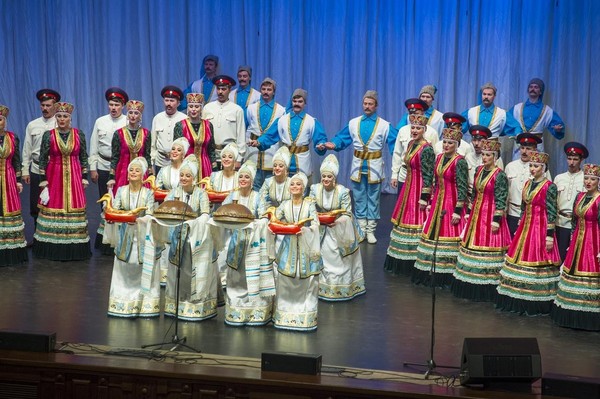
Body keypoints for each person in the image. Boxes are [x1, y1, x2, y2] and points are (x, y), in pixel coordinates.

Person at [323, 90, 396, 244]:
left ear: (376, 106)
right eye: (365, 103)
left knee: (373, 198)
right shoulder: (353, 123)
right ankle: (361, 229)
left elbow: (395, 144)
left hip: (375, 167)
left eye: (370, 104)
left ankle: (371, 230)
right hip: (357, 166)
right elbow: (342, 138)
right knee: (358, 196)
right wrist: (334, 144)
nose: (367, 106)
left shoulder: (384, 125)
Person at [496, 151, 561, 315]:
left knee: (536, 259)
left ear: (543, 168)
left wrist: (549, 235)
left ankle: (534, 301)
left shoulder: (549, 187)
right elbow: (524, 206)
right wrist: (520, 222)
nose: (532, 169)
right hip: (526, 225)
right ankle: (516, 298)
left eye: (536, 166)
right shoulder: (527, 184)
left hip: (540, 227)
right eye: (531, 165)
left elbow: (552, 211)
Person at [452, 139, 511, 302]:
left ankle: (487, 287)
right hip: (477, 215)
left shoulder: (500, 175)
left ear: (495, 157)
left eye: (488, 155)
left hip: (490, 215)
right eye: (483, 154)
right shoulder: (478, 170)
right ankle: (471, 285)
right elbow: (474, 194)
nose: (484, 158)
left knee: (488, 246)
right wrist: (468, 212)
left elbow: (501, 198)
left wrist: (497, 220)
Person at [33, 102, 91, 261]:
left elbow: (84, 157)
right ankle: (53, 248)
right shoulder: (49, 135)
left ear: (70, 118)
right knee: (54, 206)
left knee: (74, 206)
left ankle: (74, 249)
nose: (62, 119)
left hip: (74, 176)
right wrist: (43, 180)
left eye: (65, 116)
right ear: (55, 117)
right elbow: (43, 159)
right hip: (54, 176)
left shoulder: (79, 134)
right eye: (59, 116)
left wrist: (84, 176)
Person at [413, 124, 468, 287]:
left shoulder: (460, 162)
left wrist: (458, 211)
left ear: (457, 144)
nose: (446, 145)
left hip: (451, 202)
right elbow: (435, 182)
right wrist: (430, 202)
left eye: (450, 143)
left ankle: (447, 275)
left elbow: (463, 187)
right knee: (432, 233)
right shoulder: (439, 158)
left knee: (448, 234)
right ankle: (432, 272)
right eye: (445, 142)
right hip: (438, 200)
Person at [221, 161, 274, 325]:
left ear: (252, 180)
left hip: (253, 242)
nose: (243, 179)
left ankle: (254, 308)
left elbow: (265, 217)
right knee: (235, 274)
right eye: (241, 176)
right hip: (236, 240)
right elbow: (223, 212)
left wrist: (253, 224)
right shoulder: (232, 196)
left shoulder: (258, 196)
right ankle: (236, 305)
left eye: (247, 177)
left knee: (251, 274)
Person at [164, 156, 214, 321]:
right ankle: (176, 304)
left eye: (188, 176)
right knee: (176, 270)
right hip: (178, 237)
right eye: (182, 175)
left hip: (195, 239)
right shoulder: (174, 193)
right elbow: (165, 209)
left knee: (193, 270)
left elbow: (206, 214)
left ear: (194, 178)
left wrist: (194, 223)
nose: (184, 178)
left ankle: (195, 304)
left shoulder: (201, 194)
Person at [551, 163, 600, 331]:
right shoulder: (579, 197)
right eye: (586, 178)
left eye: (592, 179)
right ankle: (570, 315)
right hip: (578, 241)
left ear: (598, 181)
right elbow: (574, 222)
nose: (588, 181)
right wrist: (572, 239)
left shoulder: (599, 200)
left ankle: (589, 317)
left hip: (593, 243)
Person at [310, 154, 366, 301]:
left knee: (338, 259)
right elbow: (310, 208)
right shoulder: (315, 189)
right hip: (322, 228)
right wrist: (317, 218)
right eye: (324, 177)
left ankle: (342, 287)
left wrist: (337, 222)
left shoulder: (343, 191)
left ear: (334, 178)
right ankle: (322, 287)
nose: (326, 179)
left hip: (338, 230)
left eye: (329, 177)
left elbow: (347, 213)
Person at [106, 157, 157, 317]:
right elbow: (116, 209)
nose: (133, 173)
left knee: (140, 267)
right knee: (124, 268)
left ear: (143, 175)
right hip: (125, 234)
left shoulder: (148, 193)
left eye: (137, 170)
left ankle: (142, 302)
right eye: (131, 170)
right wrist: (121, 216)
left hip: (141, 236)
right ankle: (122, 300)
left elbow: (150, 214)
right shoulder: (121, 190)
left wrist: (138, 220)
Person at [385, 113, 435, 275]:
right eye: (413, 127)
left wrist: (424, 198)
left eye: (418, 128)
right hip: (409, 186)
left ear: (424, 129)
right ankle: (402, 259)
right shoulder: (411, 144)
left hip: (419, 188)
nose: (414, 130)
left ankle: (416, 261)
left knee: (417, 219)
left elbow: (429, 175)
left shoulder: (427, 149)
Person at [271, 172, 321, 331]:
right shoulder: (285, 205)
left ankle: (304, 313)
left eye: (298, 184)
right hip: (289, 246)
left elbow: (315, 224)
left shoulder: (309, 205)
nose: (294, 187)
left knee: (305, 279)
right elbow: (275, 219)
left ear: (303, 188)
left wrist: (306, 231)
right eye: (292, 184)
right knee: (285, 278)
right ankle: (285, 312)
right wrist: (275, 227)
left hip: (305, 246)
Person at [251, 88, 328, 182]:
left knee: (301, 189)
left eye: (300, 101)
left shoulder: (311, 121)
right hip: (284, 159)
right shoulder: (282, 120)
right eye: (294, 101)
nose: (297, 104)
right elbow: (270, 135)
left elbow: (320, 139)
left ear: (305, 103)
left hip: (302, 161)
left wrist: (321, 146)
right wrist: (259, 142)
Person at [22, 89, 60, 226]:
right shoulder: (33, 125)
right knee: (36, 202)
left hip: (54, 168)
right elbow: (27, 149)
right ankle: (38, 236)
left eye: (48, 105)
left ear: (55, 106)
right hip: (37, 168)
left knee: (54, 201)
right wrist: (25, 170)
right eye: (43, 105)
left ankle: (53, 236)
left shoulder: (60, 123)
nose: (45, 108)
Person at [154, 137, 189, 284]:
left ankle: (180, 273)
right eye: (173, 149)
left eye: (178, 150)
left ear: (184, 154)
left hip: (182, 211)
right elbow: (156, 189)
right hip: (167, 210)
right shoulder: (164, 170)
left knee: (181, 240)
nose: (174, 152)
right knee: (166, 241)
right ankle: (164, 274)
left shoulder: (187, 171)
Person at [504, 133, 551, 235]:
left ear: (535, 150)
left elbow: (547, 195)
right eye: (522, 148)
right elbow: (504, 192)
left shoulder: (542, 169)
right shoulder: (510, 167)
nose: (524, 152)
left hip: (531, 216)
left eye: (528, 148)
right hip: (511, 213)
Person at [390, 99, 439, 194]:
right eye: (411, 114)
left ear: (423, 112)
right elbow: (397, 153)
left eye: (416, 113)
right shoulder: (403, 130)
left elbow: (436, 157)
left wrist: (433, 180)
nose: (414, 117)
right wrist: (394, 175)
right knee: (402, 205)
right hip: (404, 175)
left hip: (422, 177)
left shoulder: (432, 133)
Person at [508, 78, 565, 160]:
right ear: (528, 90)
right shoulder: (517, 108)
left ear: (540, 91)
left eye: (536, 87)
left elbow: (559, 126)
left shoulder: (547, 110)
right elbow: (507, 121)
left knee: (536, 168)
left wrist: (558, 129)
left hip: (537, 147)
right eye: (531, 87)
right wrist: (516, 132)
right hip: (520, 147)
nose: (533, 89)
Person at [245, 77, 286, 190]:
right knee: (253, 184)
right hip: (252, 151)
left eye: (269, 89)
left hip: (271, 150)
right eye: (263, 89)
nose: (266, 92)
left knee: (270, 186)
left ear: (273, 92)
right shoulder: (251, 108)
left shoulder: (281, 110)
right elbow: (246, 126)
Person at [89, 87, 128, 200]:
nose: (113, 108)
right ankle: (104, 218)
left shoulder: (128, 121)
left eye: (117, 105)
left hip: (122, 166)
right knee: (105, 199)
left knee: (122, 199)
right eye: (111, 105)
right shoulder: (100, 121)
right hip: (103, 165)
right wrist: (92, 168)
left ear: (123, 106)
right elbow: (94, 146)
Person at [0, 105, 27, 266]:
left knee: (9, 210)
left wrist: (18, 180)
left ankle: (11, 251)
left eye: (0, 119)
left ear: (5, 121)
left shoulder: (12, 137)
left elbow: (16, 160)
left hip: (8, 178)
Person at [107, 100, 152, 194]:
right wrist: (111, 177)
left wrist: (151, 175)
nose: (133, 115)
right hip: (123, 172)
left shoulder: (146, 133)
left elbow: (147, 155)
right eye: (130, 112)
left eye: (136, 113)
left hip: (141, 173)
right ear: (127, 115)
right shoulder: (118, 133)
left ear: (140, 116)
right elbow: (115, 157)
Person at [202, 75, 246, 169]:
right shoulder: (207, 108)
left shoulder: (237, 110)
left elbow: (241, 135)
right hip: (210, 155)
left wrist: (239, 158)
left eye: (223, 89)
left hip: (229, 155)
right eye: (218, 89)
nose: (220, 92)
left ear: (229, 89)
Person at [554, 142, 587, 261]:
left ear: (581, 160)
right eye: (569, 158)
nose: (571, 162)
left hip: (578, 224)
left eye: (575, 159)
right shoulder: (559, 178)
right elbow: (553, 202)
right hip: (560, 222)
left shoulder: (586, 179)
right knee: (559, 256)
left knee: (574, 258)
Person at [173, 92, 216, 182]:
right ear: (188, 108)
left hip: (205, 165)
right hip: (186, 165)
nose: (193, 109)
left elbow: (211, 148)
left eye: (197, 107)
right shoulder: (180, 125)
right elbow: (176, 150)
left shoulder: (208, 125)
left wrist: (214, 166)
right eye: (191, 106)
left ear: (201, 108)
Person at [151, 85, 187, 175]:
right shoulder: (157, 118)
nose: (169, 103)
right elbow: (153, 143)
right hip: (160, 162)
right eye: (166, 100)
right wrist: (152, 162)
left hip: (178, 163)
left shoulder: (184, 119)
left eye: (172, 101)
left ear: (178, 103)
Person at [463, 125, 504, 194]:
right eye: (474, 140)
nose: (476, 143)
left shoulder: (496, 159)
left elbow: (500, 182)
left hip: (486, 196)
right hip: (469, 195)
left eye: (480, 140)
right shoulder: (468, 157)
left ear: (486, 141)